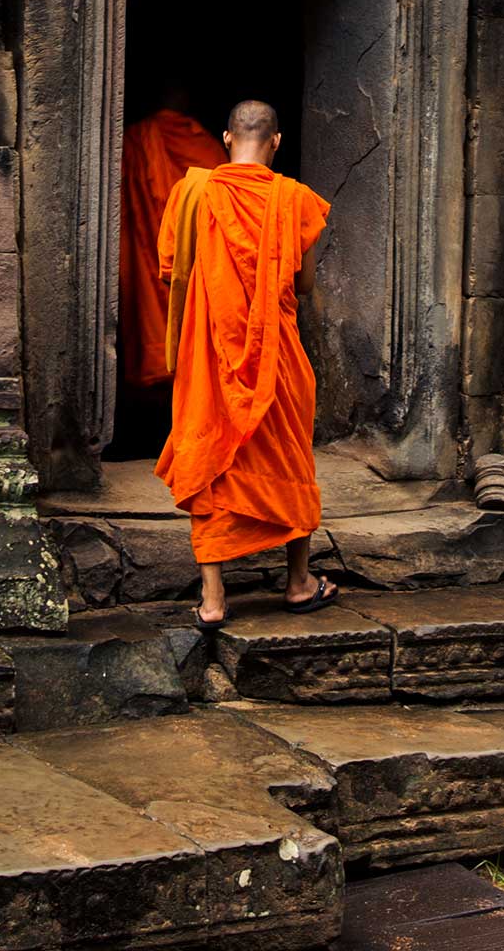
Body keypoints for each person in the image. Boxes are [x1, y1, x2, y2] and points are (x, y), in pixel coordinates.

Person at [154, 99, 334, 628]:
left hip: (209, 355)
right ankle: (299, 582)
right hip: (276, 356)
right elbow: (303, 284)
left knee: (208, 457)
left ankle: (213, 601)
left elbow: (172, 271)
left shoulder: (191, 193)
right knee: (289, 455)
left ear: (227, 139)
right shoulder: (295, 200)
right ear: (276, 142)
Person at [119, 83, 226, 403]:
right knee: (198, 350)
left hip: (147, 261)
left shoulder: (134, 140)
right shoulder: (204, 144)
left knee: (154, 330)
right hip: (195, 268)